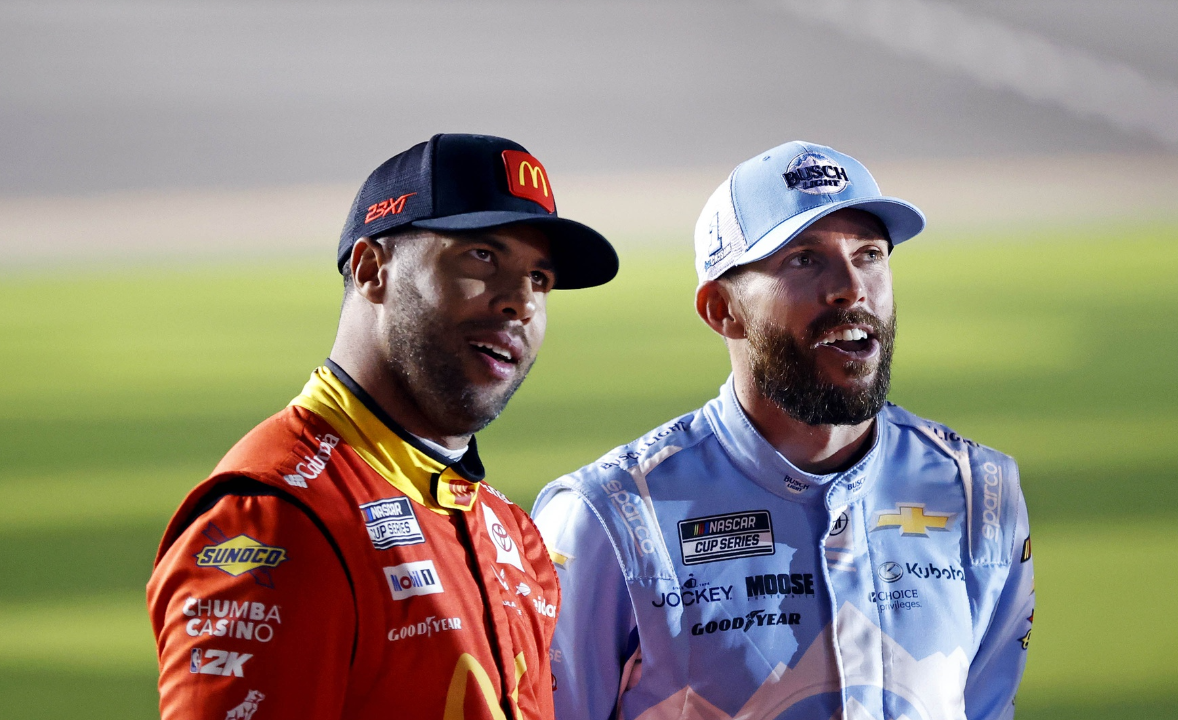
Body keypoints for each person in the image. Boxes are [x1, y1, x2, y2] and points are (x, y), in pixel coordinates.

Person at [533, 141, 1034, 720]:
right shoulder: (605, 516)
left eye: (869, 253)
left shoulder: (980, 490)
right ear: (722, 310)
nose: (850, 286)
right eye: (803, 259)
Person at [147, 134, 618, 720]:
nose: (519, 302)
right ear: (372, 270)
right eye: (482, 257)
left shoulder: (505, 529)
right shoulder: (278, 521)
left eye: (539, 280)